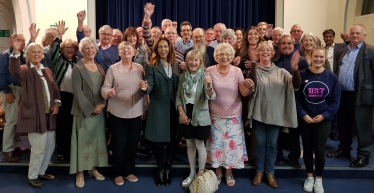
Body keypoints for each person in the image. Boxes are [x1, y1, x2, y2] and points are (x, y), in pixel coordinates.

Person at [248, 41, 301, 189]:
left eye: (268, 50)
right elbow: (251, 85)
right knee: (259, 145)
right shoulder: (254, 70)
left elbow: (296, 85)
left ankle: (270, 173)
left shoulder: (282, 72)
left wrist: (295, 69)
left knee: (272, 145)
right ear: (258, 53)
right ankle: (259, 172)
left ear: (272, 54)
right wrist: (253, 65)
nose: (265, 52)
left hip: (276, 115)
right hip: (259, 113)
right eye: (262, 50)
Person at [9, 39, 60, 188]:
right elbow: (14, 70)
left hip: (49, 116)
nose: (37, 54)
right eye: (33, 52)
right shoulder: (24, 70)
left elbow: (55, 89)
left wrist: (57, 103)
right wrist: (16, 51)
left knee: (50, 147)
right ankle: (32, 176)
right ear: (28, 55)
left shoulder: (47, 70)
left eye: (39, 52)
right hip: (34, 116)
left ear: (42, 55)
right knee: (38, 149)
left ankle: (41, 171)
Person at [205, 43, 254, 187]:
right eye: (221, 54)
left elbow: (243, 92)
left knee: (230, 146)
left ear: (232, 56)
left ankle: (229, 173)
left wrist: (250, 89)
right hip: (215, 114)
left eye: (227, 54)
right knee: (217, 145)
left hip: (233, 115)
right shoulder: (209, 70)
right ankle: (218, 171)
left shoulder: (237, 71)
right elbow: (208, 93)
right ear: (216, 56)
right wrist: (207, 86)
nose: (224, 57)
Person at [327, 24, 374, 168]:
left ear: (364, 35)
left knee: (362, 126)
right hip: (343, 94)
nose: (355, 36)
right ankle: (344, 149)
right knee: (343, 124)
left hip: (361, 95)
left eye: (358, 34)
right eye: (352, 33)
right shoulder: (343, 51)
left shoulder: (371, 51)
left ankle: (363, 155)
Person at [295, 47, 341, 193]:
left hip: (323, 120)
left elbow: (335, 101)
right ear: (311, 57)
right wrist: (303, 114)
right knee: (307, 149)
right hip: (306, 119)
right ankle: (309, 177)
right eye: (316, 56)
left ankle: (319, 179)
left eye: (321, 57)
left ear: (325, 58)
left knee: (319, 150)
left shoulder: (331, 77)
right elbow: (296, 99)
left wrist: (324, 115)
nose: (318, 59)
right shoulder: (302, 75)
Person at [102, 41, 147, 186]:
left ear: (134, 52)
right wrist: (108, 92)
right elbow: (105, 87)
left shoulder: (140, 68)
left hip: (136, 111)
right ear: (119, 52)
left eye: (129, 48)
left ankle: (128, 171)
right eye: (123, 49)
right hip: (117, 112)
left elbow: (145, 89)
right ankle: (117, 172)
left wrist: (145, 90)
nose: (126, 50)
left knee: (132, 144)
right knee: (118, 144)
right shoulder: (113, 69)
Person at [139, 37, 179, 186]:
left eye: (165, 47)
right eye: (160, 47)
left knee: (172, 140)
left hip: (174, 108)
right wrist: (145, 89)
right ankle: (160, 170)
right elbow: (149, 86)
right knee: (158, 141)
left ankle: (168, 169)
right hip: (158, 107)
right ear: (156, 49)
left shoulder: (175, 65)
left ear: (170, 48)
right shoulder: (151, 66)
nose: (163, 49)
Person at [70, 37, 108, 188]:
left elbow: (106, 87)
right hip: (84, 111)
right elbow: (78, 93)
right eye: (87, 48)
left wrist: (103, 105)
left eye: (92, 48)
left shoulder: (100, 67)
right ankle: (80, 172)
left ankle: (92, 168)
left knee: (96, 141)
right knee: (82, 142)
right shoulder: (77, 68)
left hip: (99, 112)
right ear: (81, 51)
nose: (90, 50)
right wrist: (92, 109)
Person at [175, 50, 216, 187]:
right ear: (187, 62)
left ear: (200, 62)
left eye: (196, 60)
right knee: (190, 145)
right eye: (190, 60)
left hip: (200, 116)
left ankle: (201, 174)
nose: (193, 62)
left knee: (200, 145)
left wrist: (209, 85)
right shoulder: (182, 77)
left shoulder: (205, 76)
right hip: (186, 113)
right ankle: (192, 173)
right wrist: (181, 113)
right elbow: (179, 98)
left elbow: (211, 96)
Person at [274, 35, 309, 168]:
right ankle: (278, 156)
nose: (286, 45)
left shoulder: (302, 61)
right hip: (278, 102)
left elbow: (306, 83)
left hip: (296, 101)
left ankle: (294, 157)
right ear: (278, 45)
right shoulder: (275, 61)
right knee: (279, 131)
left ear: (294, 45)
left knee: (295, 131)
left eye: (289, 43)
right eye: (283, 43)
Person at [50, 21, 80, 162]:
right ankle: (61, 150)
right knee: (61, 124)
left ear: (75, 49)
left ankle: (70, 148)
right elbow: (54, 51)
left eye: (72, 47)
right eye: (66, 47)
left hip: (75, 97)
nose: (69, 49)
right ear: (63, 50)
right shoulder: (58, 60)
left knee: (72, 123)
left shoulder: (78, 61)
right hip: (61, 96)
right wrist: (59, 36)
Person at [0, 33, 28, 163]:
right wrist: (7, 91)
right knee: (11, 121)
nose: (21, 43)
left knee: (17, 120)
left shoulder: (22, 55)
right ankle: (7, 150)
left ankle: (14, 146)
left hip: (21, 89)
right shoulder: (5, 55)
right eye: (18, 40)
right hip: (12, 89)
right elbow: (1, 75)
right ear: (11, 42)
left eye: (23, 41)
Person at [322, 29, 347, 141]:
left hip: (336, 79)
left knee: (335, 105)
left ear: (334, 37)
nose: (328, 38)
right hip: (324, 79)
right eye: (326, 37)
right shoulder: (321, 49)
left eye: (330, 36)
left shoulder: (341, 47)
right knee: (326, 104)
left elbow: (350, 47)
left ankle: (334, 131)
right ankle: (326, 130)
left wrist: (346, 40)